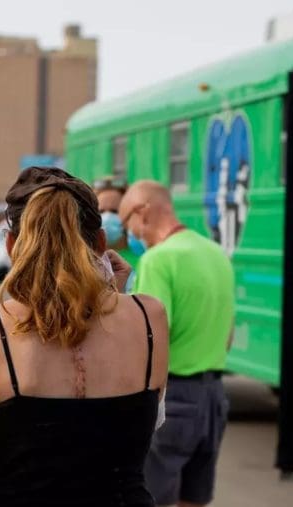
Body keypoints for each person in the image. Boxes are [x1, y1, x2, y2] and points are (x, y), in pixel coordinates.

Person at [0, 167, 170, 507]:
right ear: (99, 243)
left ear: (11, 245)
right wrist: (113, 292)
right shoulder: (149, 319)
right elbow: (137, 428)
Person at [119, 181, 234, 507]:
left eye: (128, 224)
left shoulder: (158, 260)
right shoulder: (216, 255)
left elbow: (151, 338)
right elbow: (228, 335)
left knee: (151, 498)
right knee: (194, 498)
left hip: (173, 400)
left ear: (143, 212)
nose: (130, 235)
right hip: (213, 399)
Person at [95, 177, 141, 267]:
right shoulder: (82, 262)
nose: (107, 217)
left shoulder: (143, 259)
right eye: (101, 211)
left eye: (114, 211)